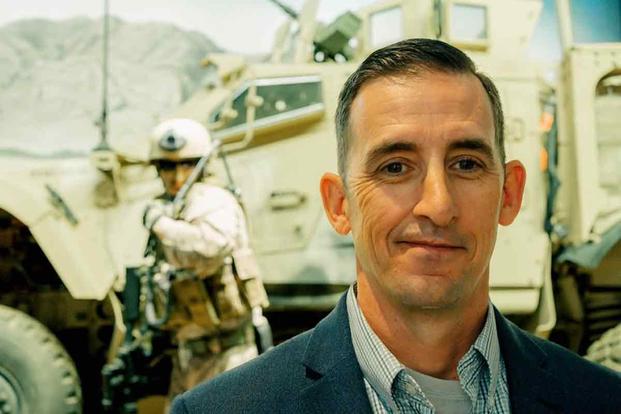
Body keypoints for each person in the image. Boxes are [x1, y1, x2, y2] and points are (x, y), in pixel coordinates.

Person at [170, 39, 621, 414]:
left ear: (509, 194)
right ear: (339, 204)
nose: (437, 206)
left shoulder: (601, 400)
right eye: (395, 168)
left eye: (466, 164)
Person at [142, 118, 270, 400]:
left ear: (201, 164)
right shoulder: (174, 204)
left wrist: (161, 225)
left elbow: (212, 244)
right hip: (190, 353)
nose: (177, 176)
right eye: (167, 166)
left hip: (226, 356)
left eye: (187, 164)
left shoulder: (212, 200)